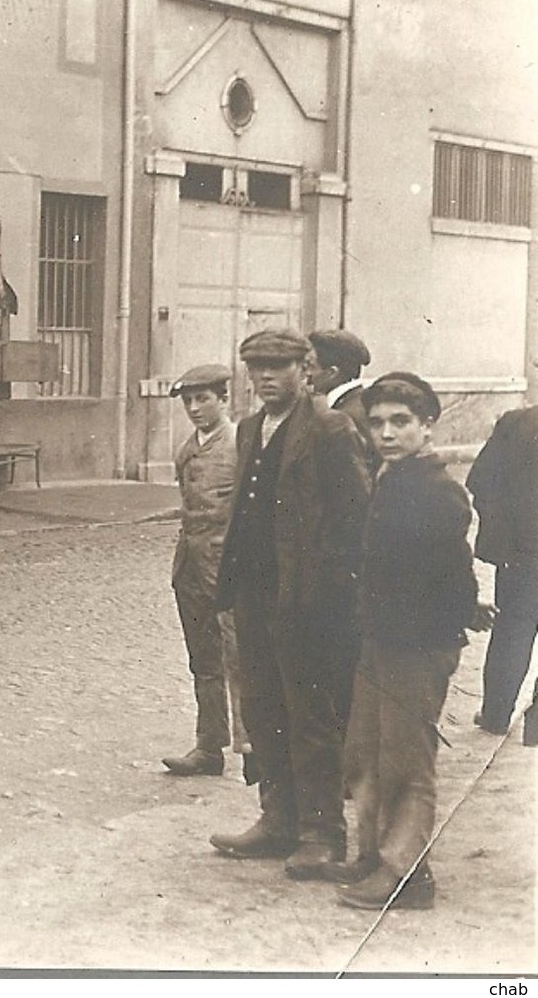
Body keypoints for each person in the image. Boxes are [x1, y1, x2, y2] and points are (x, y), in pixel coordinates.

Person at [209, 329, 370, 879]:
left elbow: (355, 519)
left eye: (278, 367)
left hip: (307, 600)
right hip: (255, 594)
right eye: (256, 370)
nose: (265, 378)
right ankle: (277, 820)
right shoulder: (251, 429)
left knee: (311, 717)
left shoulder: (331, 428)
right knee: (263, 710)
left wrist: (335, 596)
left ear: (305, 371)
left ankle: (322, 834)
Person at [331, 372, 489, 910]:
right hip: (380, 641)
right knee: (363, 753)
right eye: (377, 423)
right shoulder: (391, 479)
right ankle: (374, 852)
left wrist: (459, 617)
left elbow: (452, 572)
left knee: (406, 761)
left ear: (427, 426)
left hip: (416, 647)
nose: (387, 433)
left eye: (401, 422)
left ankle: (408, 874)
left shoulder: (439, 491)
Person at [161, 363, 252, 779]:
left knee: (241, 656)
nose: (195, 408)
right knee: (204, 660)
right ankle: (208, 747)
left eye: (203, 399)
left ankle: (255, 747)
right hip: (191, 567)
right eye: (188, 401)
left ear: (223, 400)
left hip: (228, 568)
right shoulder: (187, 447)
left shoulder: (240, 444)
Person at [465, 402, 538, 741]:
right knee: (512, 631)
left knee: (511, 631)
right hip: (522, 553)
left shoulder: (517, 422)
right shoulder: (516, 421)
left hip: (522, 556)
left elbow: (480, 480)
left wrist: (504, 534)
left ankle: (496, 713)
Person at [307, 329, 373, 452]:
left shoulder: (347, 417)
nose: (305, 374)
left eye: (309, 367)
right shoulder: (358, 402)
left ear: (332, 373)